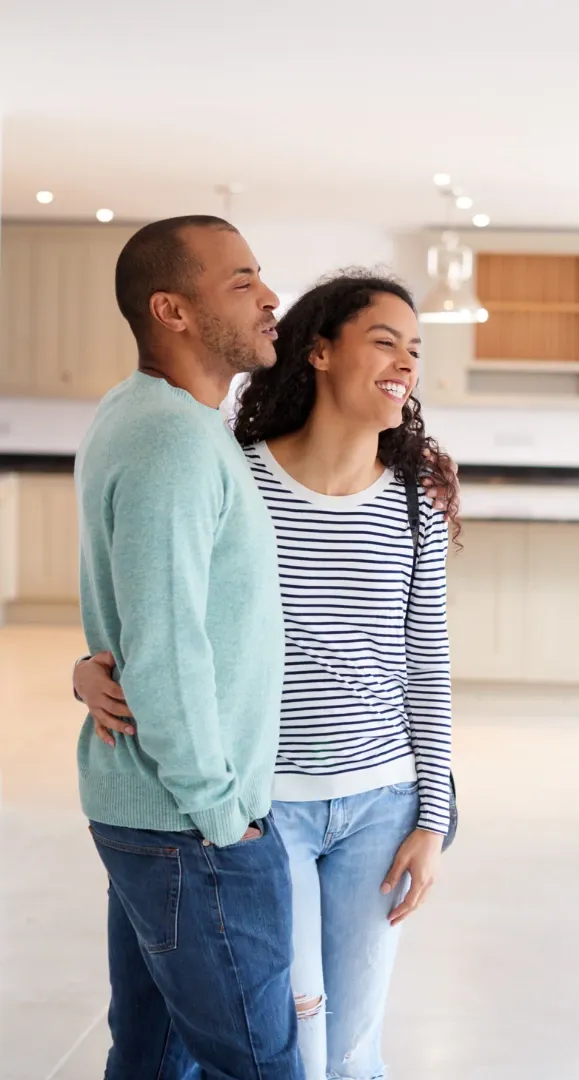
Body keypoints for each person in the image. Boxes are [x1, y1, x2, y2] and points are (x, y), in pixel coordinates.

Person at [77, 269, 458, 1080]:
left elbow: (426, 661)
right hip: (264, 804)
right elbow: (159, 603)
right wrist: (90, 667)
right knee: (294, 1042)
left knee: (354, 1050)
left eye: (415, 349)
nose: (405, 363)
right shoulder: (235, 471)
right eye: (384, 341)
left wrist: (436, 817)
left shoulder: (417, 500)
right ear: (318, 352)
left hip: (380, 803)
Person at [74, 215, 302, 1077]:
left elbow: (141, 607)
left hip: (157, 814)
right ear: (170, 309)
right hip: (188, 823)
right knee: (258, 1062)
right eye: (241, 281)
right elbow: (166, 646)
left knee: (152, 1057)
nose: (269, 297)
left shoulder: (155, 417)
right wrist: (222, 817)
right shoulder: (172, 438)